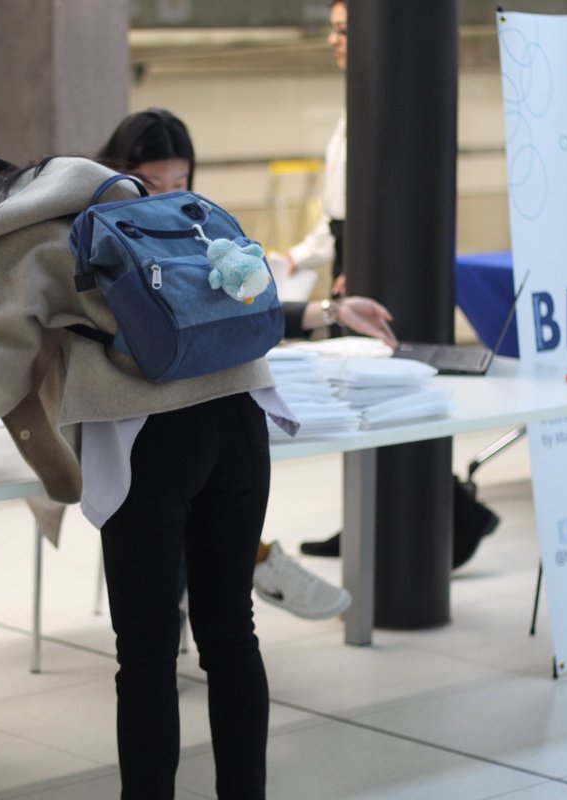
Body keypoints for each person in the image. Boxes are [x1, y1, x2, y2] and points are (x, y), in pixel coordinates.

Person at [0, 140, 282, 799]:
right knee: (230, 634)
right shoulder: (107, 190)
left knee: (149, 659)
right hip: (241, 410)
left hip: (149, 436)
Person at [98, 107, 397, 620]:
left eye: (181, 180)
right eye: (151, 182)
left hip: (202, 418)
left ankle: (253, 563)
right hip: (130, 427)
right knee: (174, 621)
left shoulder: (194, 229)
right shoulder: (98, 240)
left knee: (222, 618)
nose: (167, 194)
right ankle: (257, 562)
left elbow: (237, 309)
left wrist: (332, 310)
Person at [270, 0, 500, 564]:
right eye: (332, 31)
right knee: (364, 395)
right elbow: (337, 209)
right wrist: (300, 258)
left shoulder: (386, 98)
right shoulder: (359, 99)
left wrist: (365, 259)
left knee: (381, 394)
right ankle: (386, 518)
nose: (335, 41)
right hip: (358, 251)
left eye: (345, 30)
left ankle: (452, 516)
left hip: (383, 259)